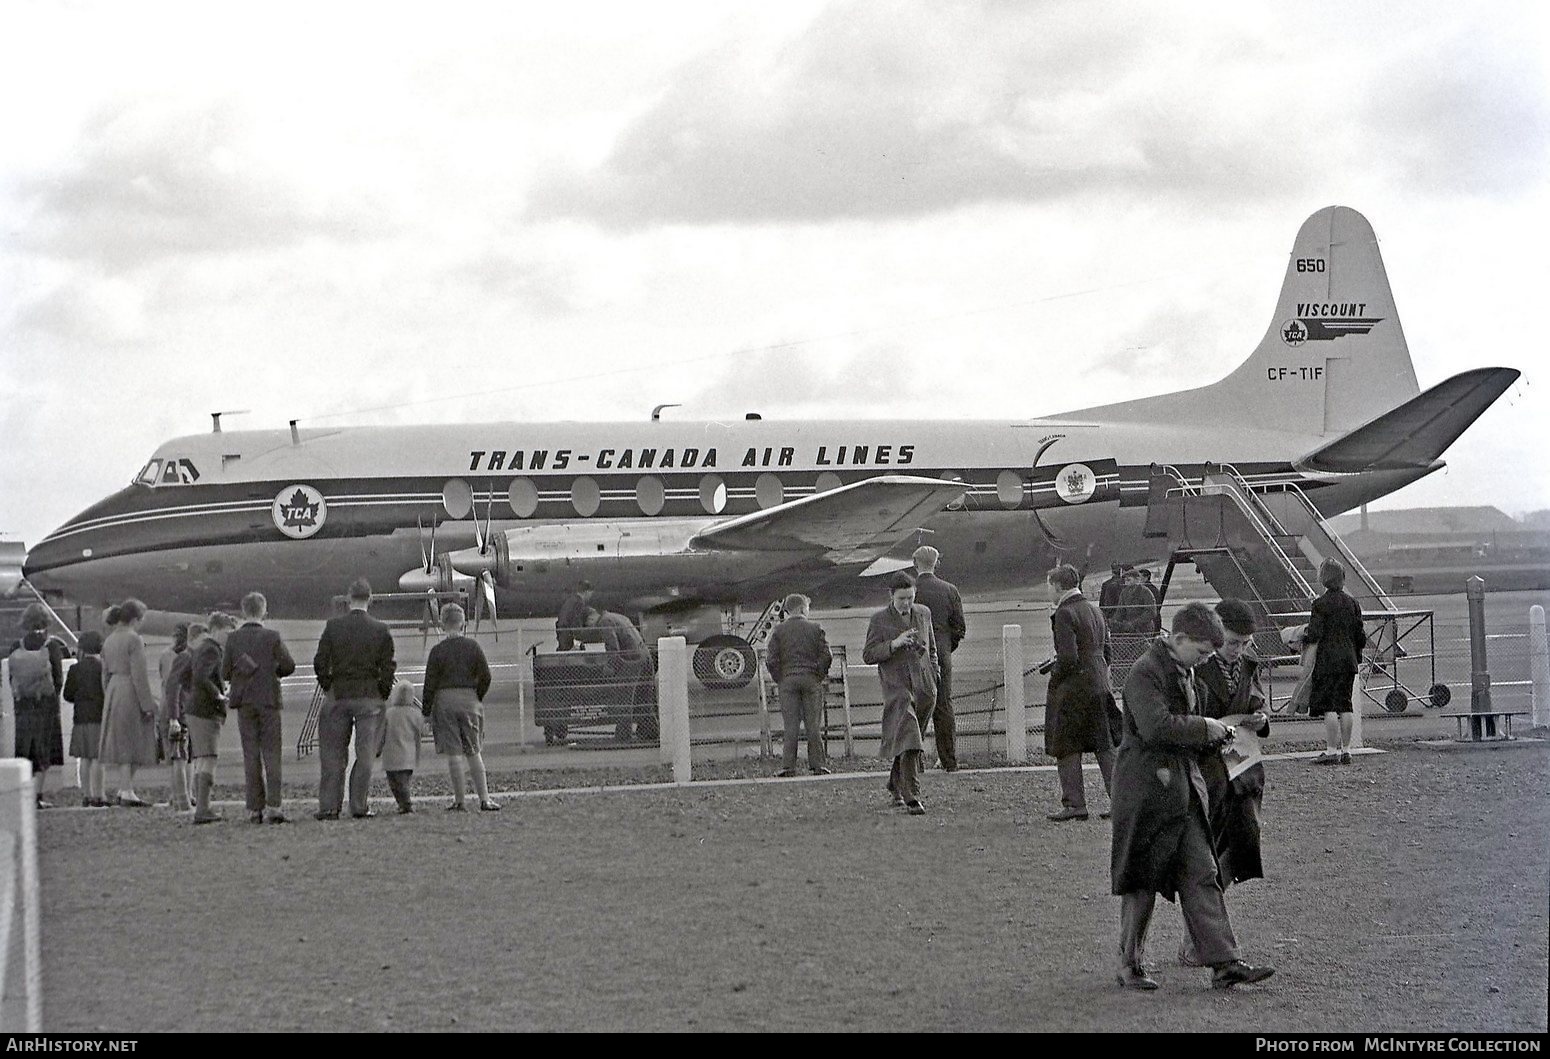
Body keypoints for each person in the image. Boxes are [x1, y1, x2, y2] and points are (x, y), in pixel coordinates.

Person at [1110, 602, 1275, 991]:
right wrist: (1207, 727)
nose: (1204, 661)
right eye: (1201, 652)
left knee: (1203, 872)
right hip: (1146, 791)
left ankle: (1224, 963)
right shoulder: (1144, 673)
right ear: (1178, 638)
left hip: (1184, 791)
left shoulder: (1186, 673)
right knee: (1142, 878)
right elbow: (1154, 727)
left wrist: (1220, 735)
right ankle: (1129, 964)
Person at [1186, 598, 1272, 969]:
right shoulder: (1196, 668)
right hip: (1209, 771)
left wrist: (1261, 718)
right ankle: (1198, 942)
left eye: (1245, 643)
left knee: (1236, 852)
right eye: (1233, 642)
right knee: (1207, 860)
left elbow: (1258, 703)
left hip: (1244, 772)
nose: (1239, 651)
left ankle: (1197, 940)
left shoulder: (1248, 665)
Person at [312, 579, 396, 820]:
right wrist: (382, 691)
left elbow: (320, 662)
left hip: (339, 693)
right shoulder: (380, 629)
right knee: (366, 754)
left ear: (349, 598)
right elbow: (388, 666)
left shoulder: (333, 627)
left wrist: (329, 684)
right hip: (369, 695)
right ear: (370, 598)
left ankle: (329, 806)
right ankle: (358, 805)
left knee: (332, 755)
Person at [1044, 564, 1117, 821]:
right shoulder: (1094, 609)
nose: (1049, 592)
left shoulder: (1064, 613)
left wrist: (1055, 677)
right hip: (1098, 681)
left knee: (1066, 745)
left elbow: (1068, 657)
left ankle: (1074, 803)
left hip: (1074, 688)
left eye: (1050, 586)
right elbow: (1106, 650)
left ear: (1058, 586)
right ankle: (1119, 800)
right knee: (1104, 745)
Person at [861, 573, 937, 816]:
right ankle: (911, 795)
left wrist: (934, 670)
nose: (907, 603)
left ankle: (895, 784)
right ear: (891, 596)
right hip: (897, 687)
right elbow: (869, 654)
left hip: (924, 686)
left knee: (909, 741)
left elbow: (932, 647)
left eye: (910, 598)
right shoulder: (879, 620)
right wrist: (894, 644)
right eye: (902, 598)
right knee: (911, 736)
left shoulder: (924, 613)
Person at [224, 592, 296, 824]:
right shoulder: (272, 637)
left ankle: (255, 808)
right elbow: (289, 665)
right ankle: (274, 805)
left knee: (250, 755)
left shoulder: (233, 639)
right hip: (269, 700)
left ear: (244, 612)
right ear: (264, 610)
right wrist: (274, 672)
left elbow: (225, 672)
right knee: (272, 754)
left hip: (245, 701)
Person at [422, 603, 499, 812]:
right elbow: (486, 676)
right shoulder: (472, 647)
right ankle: (485, 799)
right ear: (463, 622)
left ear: (443, 623)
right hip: (469, 699)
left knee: (454, 753)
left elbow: (429, 684)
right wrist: (477, 695)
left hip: (445, 700)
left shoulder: (437, 651)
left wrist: (426, 713)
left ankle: (459, 800)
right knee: (474, 750)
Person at [910, 546, 967, 771]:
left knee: (915, 707)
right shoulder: (950, 590)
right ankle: (949, 760)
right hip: (942, 652)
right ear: (937, 563)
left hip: (915, 653)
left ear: (915, 563)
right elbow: (959, 627)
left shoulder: (911, 591)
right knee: (943, 705)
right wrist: (945, 647)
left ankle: (915, 759)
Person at [1305, 559, 1367, 765]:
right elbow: (1361, 636)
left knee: (1329, 707)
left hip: (1327, 661)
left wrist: (1300, 637)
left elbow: (1314, 633)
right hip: (1348, 660)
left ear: (1324, 578)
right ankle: (1347, 751)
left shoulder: (1320, 605)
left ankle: (1331, 751)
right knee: (1345, 705)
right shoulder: (1353, 603)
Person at [98, 599, 159, 807]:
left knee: (121, 739)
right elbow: (139, 674)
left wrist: (109, 694)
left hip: (114, 689)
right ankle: (126, 790)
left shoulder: (109, 640)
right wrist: (148, 704)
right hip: (130, 689)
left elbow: (104, 675)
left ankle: (125, 788)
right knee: (134, 739)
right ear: (135, 619)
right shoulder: (134, 639)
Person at [763, 593, 833, 777]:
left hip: (788, 681)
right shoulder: (816, 628)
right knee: (813, 724)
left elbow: (771, 660)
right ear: (802, 608)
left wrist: (780, 677)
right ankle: (817, 765)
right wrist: (818, 674)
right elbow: (827, 655)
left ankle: (788, 766)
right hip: (811, 680)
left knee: (791, 725)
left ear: (787, 611)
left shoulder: (778, 631)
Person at [6, 604, 67, 808]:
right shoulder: (51, 646)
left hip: (23, 706)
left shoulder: (17, 645)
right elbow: (58, 679)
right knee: (44, 750)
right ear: (45, 622)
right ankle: (37, 797)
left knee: (25, 750)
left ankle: (23, 795)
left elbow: (11, 678)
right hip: (45, 706)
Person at [185, 613, 237, 824]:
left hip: (196, 710)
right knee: (209, 757)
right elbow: (201, 676)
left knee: (201, 759)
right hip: (205, 711)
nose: (228, 637)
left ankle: (202, 805)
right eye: (227, 632)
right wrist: (218, 694)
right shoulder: (211, 649)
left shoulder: (201, 648)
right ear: (216, 629)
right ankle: (204, 808)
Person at [582, 607, 657, 743]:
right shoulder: (618, 616)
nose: (590, 628)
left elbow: (613, 648)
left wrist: (610, 668)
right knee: (644, 697)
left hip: (632, 660)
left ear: (591, 618)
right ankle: (650, 731)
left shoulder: (604, 622)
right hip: (645, 655)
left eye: (587, 625)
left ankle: (623, 736)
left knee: (625, 698)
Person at [160, 621, 205, 812]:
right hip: (181, 709)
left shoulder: (166, 655)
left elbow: (165, 682)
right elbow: (175, 686)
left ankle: (178, 796)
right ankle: (185, 796)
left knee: (178, 755)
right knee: (185, 757)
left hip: (171, 707)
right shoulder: (188, 658)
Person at [546, 581, 595, 744]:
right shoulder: (578, 603)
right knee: (571, 688)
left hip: (563, 645)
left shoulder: (570, 601)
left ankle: (559, 727)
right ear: (586, 592)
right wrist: (578, 642)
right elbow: (575, 625)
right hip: (568, 647)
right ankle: (560, 726)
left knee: (562, 688)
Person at [63, 630, 108, 806]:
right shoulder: (103, 667)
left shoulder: (75, 669)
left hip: (80, 716)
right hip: (98, 715)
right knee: (98, 757)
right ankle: (100, 795)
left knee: (84, 758)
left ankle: (87, 795)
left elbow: (67, 695)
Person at [379, 680, 424, 814]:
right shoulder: (415, 714)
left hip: (391, 754)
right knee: (404, 781)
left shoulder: (388, 713)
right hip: (409, 753)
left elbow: (381, 732)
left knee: (394, 782)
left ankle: (404, 803)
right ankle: (404, 803)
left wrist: (378, 747)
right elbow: (421, 731)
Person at [1111, 568, 1160, 637]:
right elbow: (1120, 610)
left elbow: (1151, 612)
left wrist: (1134, 623)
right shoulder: (1124, 593)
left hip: (1144, 628)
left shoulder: (1145, 592)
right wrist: (1115, 622)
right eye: (1125, 580)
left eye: (1129, 580)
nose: (1126, 582)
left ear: (1137, 579)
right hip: (1129, 629)